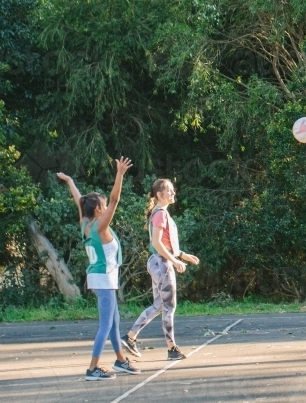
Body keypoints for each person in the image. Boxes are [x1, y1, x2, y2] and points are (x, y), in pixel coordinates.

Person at [56, 158, 140, 380]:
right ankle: (92, 369)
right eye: (104, 205)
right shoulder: (101, 227)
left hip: (99, 277)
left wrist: (70, 182)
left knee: (114, 322)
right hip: (103, 279)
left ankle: (121, 360)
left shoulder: (85, 223)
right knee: (105, 326)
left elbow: (79, 200)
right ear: (100, 209)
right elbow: (115, 199)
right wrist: (120, 174)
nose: (107, 207)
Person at [122, 179, 199, 361]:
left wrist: (183, 255)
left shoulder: (161, 213)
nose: (173, 193)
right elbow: (156, 243)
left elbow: (166, 242)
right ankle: (172, 348)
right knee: (169, 306)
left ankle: (130, 337)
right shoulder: (160, 214)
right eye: (169, 191)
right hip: (162, 263)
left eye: (173, 190)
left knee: (159, 305)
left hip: (158, 262)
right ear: (159, 195)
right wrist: (174, 260)